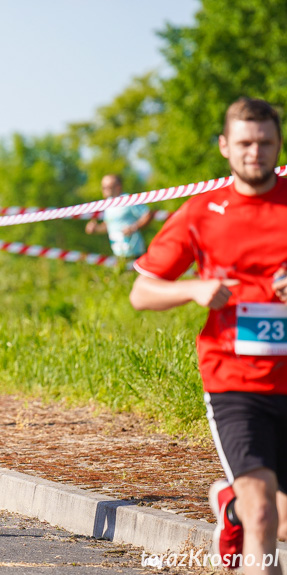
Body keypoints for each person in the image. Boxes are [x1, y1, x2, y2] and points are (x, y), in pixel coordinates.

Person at [129, 97, 287, 574]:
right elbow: (142, 293)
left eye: (264, 143)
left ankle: (232, 506)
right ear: (225, 146)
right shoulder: (202, 213)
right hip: (235, 381)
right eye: (244, 142)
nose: (254, 153)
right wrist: (195, 288)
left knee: (271, 515)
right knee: (267, 512)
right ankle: (244, 508)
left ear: (279, 144)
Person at [85, 174, 154, 258]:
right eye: (102, 187)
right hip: (119, 255)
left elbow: (148, 214)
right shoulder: (108, 204)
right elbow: (109, 225)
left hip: (136, 253)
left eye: (107, 187)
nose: (103, 190)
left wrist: (133, 227)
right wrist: (96, 229)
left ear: (118, 187)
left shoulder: (128, 199)